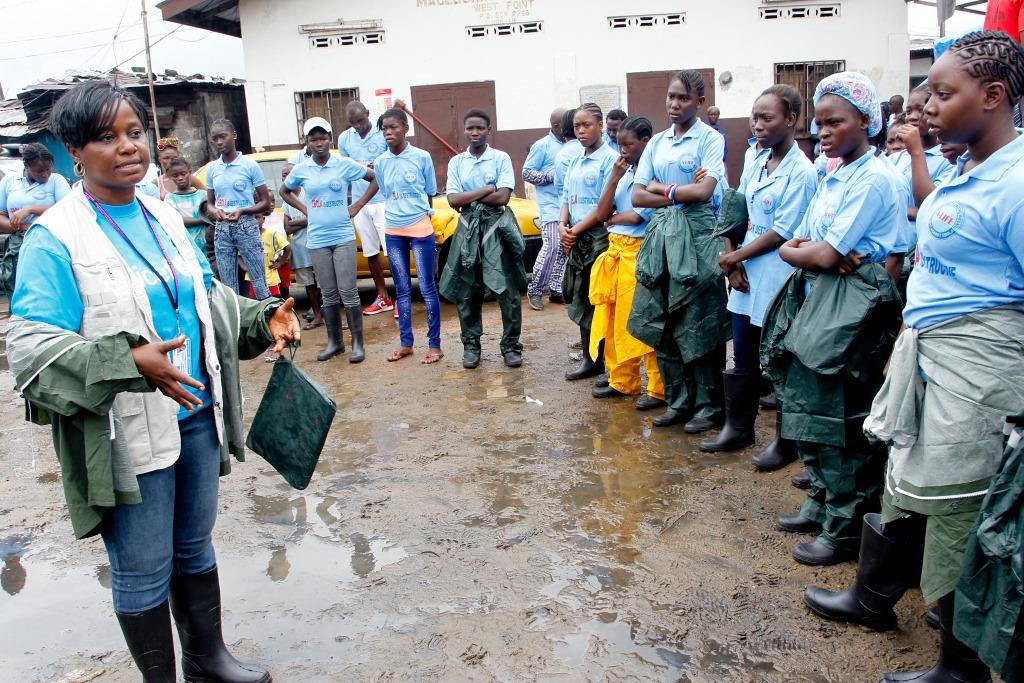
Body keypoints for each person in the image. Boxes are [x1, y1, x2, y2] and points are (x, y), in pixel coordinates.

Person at [7, 80, 299, 683]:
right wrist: (126, 359)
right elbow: (31, 349)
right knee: (143, 566)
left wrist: (260, 315)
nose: (127, 147)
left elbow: (203, 296)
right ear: (75, 152)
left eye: (134, 132)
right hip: (125, 431)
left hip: (194, 412)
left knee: (194, 546)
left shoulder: (163, 213)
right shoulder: (57, 236)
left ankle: (207, 661)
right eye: (106, 138)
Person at [804, 32, 1024, 683]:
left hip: (980, 369)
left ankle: (961, 665)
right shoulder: (965, 169)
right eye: (928, 90)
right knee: (903, 476)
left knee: (959, 504)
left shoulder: (1015, 184)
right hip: (931, 354)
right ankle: (873, 598)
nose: (928, 104)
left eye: (943, 92)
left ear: (993, 96)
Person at [763, 71, 905, 567]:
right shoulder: (831, 175)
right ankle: (820, 503)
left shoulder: (874, 178)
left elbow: (820, 253)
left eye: (835, 122)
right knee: (808, 404)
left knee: (841, 413)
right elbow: (797, 245)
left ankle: (845, 529)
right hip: (822, 296)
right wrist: (810, 252)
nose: (822, 132)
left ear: (866, 122)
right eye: (819, 123)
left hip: (855, 306)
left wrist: (814, 253)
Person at [701, 85, 817, 460]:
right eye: (754, 117)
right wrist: (730, 255)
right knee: (743, 356)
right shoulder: (756, 160)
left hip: (778, 275)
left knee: (782, 361)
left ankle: (787, 443)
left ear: (791, 120)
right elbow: (736, 210)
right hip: (745, 274)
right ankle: (738, 429)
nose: (758, 124)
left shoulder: (802, 172)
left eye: (767, 118)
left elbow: (782, 231)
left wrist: (735, 260)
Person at [630, 69, 730, 433]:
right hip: (661, 239)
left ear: (700, 102)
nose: (674, 104)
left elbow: (704, 194)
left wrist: (663, 188)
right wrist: (678, 190)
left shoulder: (710, 140)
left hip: (699, 238)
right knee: (664, 319)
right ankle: (678, 401)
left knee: (699, 318)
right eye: (671, 97)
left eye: (683, 98)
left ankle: (709, 406)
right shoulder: (657, 142)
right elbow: (638, 195)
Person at [586, 115, 666, 410]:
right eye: (618, 144)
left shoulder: (651, 174)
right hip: (616, 250)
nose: (622, 151)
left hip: (639, 250)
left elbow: (637, 216)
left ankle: (658, 388)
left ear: (645, 141)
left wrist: (613, 218)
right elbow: (601, 211)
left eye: (628, 144)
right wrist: (614, 178)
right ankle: (623, 380)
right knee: (613, 318)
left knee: (643, 320)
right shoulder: (620, 170)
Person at [281, 116, 376, 363]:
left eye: (323, 137)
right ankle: (335, 343)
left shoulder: (343, 164)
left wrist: (357, 205)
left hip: (342, 236)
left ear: (330, 138)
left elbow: (375, 179)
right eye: (314, 138)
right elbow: (284, 191)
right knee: (329, 294)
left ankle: (357, 343)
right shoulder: (301, 169)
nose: (319, 142)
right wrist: (305, 209)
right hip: (317, 238)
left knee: (349, 291)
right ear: (307, 142)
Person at [439, 108, 525, 369]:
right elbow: (453, 199)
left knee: (506, 289)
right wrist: (488, 188)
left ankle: (511, 347)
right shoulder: (457, 162)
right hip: (467, 228)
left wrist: (471, 195)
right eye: (469, 128)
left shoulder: (500, 158)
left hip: (496, 227)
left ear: (489, 130)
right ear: (464, 131)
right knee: (467, 290)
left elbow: (503, 198)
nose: (474, 132)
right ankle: (471, 346)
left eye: (479, 128)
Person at [363, 108, 443, 364]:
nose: (388, 132)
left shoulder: (422, 157)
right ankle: (406, 343)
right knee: (402, 289)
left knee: (428, 288)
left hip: (420, 228)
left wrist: (423, 219)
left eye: (393, 127)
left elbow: (429, 191)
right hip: (394, 230)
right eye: (384, 128)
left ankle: (435, 345)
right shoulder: (382, 162)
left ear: (405, 128)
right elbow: (386, 191)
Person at [559, 103, 619, 381]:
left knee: (601, 300)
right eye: (577, 127)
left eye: (587, 125)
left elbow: (604, 207)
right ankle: (590, 359)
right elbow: (566, 197)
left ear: (601, 125)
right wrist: (562, 226)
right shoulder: (575, 160)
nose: (581, 131)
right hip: (576, 237)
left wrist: (575, 230)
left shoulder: (610, 159)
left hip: (598, 238)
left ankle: (608, 361)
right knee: (581, 297)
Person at [890, 84, 955, 292]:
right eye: (908, 111)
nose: (912, 117)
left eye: (920, 110)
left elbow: (932, 206)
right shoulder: (896, 159)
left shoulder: (947, 158)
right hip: (890, 252)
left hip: (918, 254)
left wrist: (916, 150)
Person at [338, 101, 395, 316]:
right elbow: (345, 171)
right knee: (371, 252)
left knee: (392, 251)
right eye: (353, 123)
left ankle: (401, 296)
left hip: (384, 200)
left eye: (361, 121)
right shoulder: (345, 138)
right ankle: (383, 297)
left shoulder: (382, 134)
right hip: (360, 204)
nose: (358, 126)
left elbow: (391, 163)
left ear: (368, 114)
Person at [206, 117, 273, 299]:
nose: (219, 142)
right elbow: (210, 204)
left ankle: (266, 323)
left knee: (259, 282)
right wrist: (215, 211)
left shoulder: (249, 165)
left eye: (223, 136)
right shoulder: (213, 169)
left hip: (246, 225)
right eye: (215, 138)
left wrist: (243, 211)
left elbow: (265, 202)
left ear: (234, 136)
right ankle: (237, 326)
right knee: (228, 286)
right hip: (222, 228)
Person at [0, 142, 71, 293]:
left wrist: (30, 209)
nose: (45, 174)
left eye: (48, 169)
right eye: (39, 171)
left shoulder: (56, 180)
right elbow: (1, 217)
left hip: (50, 240)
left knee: (47, 285)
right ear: (26, 165)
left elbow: (67, 210)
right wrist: (24, 226)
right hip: (18, 242)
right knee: (17, 284)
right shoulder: (9, 182)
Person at [523, 107, 568, 310]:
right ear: (557, 125)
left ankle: (556, 289)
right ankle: (535, 290)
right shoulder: (542, 146)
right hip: (550, 207)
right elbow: (527, 172)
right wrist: (550, 176)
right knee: (552, 246)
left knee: (563, 248)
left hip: (568, 206)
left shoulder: (571, 144)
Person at [280, 163, 322, 330]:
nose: (286, 177)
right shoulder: (286, 201)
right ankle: (317, 316)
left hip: (318, 242)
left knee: (325, 282)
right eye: (284, 175)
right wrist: (308, 219)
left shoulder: (309, 192)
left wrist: (297, 221)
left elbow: (318, 217)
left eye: (289, 173)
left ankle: (330, 315)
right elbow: (287, 227)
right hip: (299, 247)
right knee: (309, 285)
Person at [163, 157, 208, 254]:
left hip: (205, 246)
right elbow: (176, 220)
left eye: (183, 174)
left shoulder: (202, 195)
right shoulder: (170, 199)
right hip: (184, 247)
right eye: (175, 175)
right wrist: (203, 220)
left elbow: (211, 216)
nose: (180, 178)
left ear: (190, 172)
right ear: (171, 177)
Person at [244, 211, 289, 300]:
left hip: (270, 277)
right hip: (253, 277)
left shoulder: (271, 234)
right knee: (257, 303)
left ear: (263, 219)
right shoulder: (246, 236)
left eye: (257, 217)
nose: (255, 221)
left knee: (274, 302)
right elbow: (238, 255)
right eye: (252, 218)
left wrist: (281, 262)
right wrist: (245, 267)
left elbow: (288, 247)